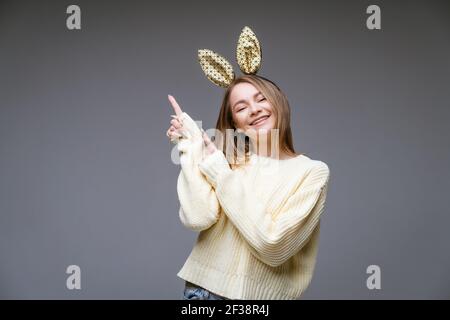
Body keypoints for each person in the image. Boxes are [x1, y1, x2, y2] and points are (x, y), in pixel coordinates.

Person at [165, 26, 331, 300]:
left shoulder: (311, 172)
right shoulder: (225, 163)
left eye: (261, 99)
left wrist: (221, 175)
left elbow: (273, 246)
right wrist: (190, 148)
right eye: (241, 107)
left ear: (279, 103)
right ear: (235, 124)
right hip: (200, 293)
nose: (254, 110)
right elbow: (198, 217)